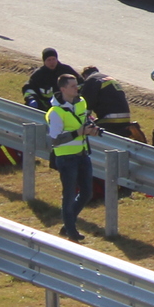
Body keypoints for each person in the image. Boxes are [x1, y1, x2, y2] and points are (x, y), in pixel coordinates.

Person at [48, 71, 97, 241]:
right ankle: (71, 231)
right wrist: (79, 132)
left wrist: (92, 128)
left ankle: (67, 224)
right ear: (63, 89)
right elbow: (55, 140)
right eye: (73, 86)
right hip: (66, 158)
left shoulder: (81, 103)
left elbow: (85, 120)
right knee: (68, 195)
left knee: (87, 193)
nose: (77, 88)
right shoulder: (55, 112)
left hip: (82, 154)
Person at [80, 67, 139, 138]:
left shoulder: (91, 80)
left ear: (85, 75)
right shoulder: (108, 78)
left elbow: (87, 104)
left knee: (88, 132)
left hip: (110, 119)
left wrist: (82, 118)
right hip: (125, 118)